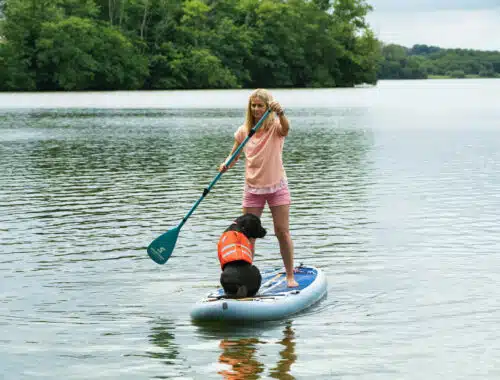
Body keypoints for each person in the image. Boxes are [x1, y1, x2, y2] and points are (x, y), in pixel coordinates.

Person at [219, 89, 298, 287]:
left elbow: (286, 129)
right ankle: (243, 278)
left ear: (267, 107)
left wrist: (281, 113)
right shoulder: (244, 131)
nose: (256, 109)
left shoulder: (276, 127)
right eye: (253, 105)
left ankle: (290, 275)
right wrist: (226, 163)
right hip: (252, 188)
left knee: (282, 231)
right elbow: (234, 154)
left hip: (276, 186)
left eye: (260, 105)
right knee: (247, 237)